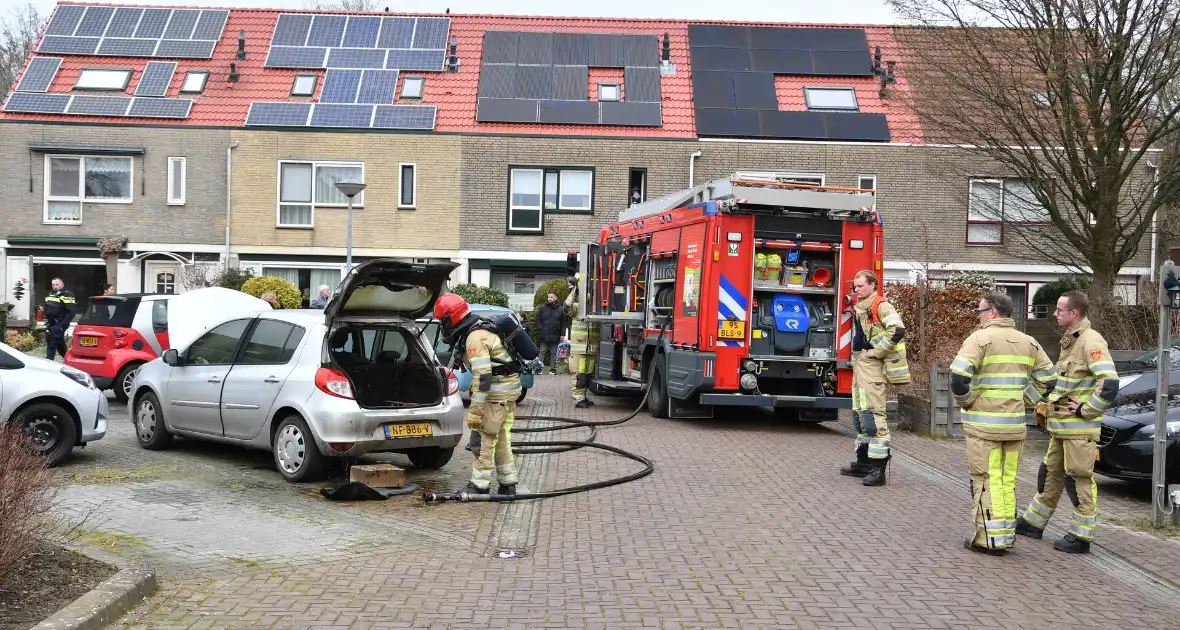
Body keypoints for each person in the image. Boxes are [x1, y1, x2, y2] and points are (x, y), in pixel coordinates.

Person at [951, 293, 1057, 555]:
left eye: (981, 311)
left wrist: (967, 402)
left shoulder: (980, 339)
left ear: (994, 312)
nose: (979, 316)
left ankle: (989, 539)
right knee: (1007, 480)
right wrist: (1025, 399)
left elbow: (958, 377)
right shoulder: (1029, 342)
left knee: (986, 479)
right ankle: (1006, 536)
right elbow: (1051, 381)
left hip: (983, 427)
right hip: (1014, 427)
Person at [1015, 291, 1118, 554]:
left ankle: (1081, 536)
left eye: (1060, 310)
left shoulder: (1091, 342)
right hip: (1062, 427)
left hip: (1079, 430)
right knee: (1050, 474)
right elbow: (1064, 384)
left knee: (1079, 479)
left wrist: (1086, 409)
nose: (1055, 314)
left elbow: (1109, 383)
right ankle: (1033, 523)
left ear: (1074, 313)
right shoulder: (1071, 341)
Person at [435, 293, 521, 495]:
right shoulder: (480, 329)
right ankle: (508, 483)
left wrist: (475, 410)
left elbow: (483, 378)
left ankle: (479, 484)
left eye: (443, 320)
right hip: (508, 392)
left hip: (495, 395)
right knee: (500, 438)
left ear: (451, 317)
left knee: (483, 440)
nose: (443, 325)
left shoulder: (474, 337)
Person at [840, 270, 905, 486]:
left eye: (860, 286)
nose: (856, 289)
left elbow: (897, 330)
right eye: (855, 286)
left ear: (872, 285)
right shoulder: (863, 307)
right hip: (861, 365)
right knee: (860, 415)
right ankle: (863, 464)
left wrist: (875, 352)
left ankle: (878, 471)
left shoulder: (881, 306)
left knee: (874, 417)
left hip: (872, 366)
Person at [565, 275, 599, 408]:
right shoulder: (576, 306)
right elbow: (565, 308)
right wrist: (574, 291)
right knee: (578, 373)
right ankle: (578, 399)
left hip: (591, 345)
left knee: (587, 373)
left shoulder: (595, 306)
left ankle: (583, 396)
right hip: (579, 345)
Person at [43, 277, 76, 361]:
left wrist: (62, 325)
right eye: (53, 285)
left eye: (57, 284)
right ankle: (71, 362)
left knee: (51, 345)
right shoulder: (52, 294)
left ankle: (48, 364)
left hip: (60, 323)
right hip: (52, 324)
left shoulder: (67, 294)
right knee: (60, 346)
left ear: (62, 284)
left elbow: (71, 312)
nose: (55, 286)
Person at [535, 292, 565, 375]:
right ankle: (539, 369)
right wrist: (541, 328)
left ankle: (553, 369)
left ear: (556, 298)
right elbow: (537, 320)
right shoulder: (542, 308)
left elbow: (563, 323)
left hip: (555, 335)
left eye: (551, 297)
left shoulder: (560, 309)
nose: (549, 298)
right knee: (542, 351)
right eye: (548, 297)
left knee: (554, 352)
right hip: (544, 335)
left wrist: (562, 334)